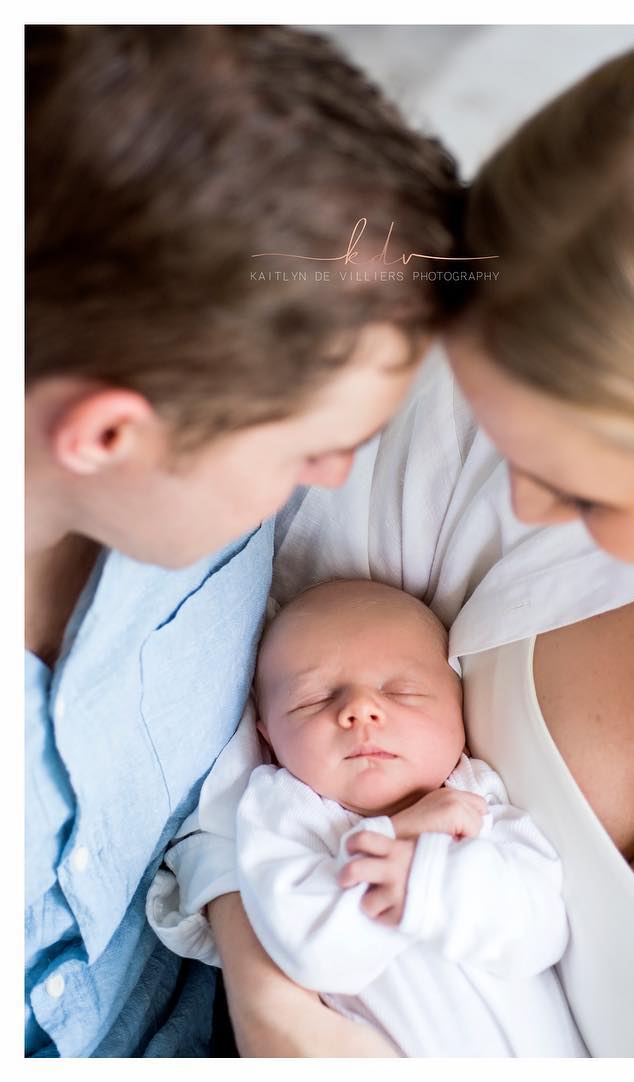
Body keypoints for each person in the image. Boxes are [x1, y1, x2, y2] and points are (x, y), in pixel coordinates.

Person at [152, 30, 634, 1058]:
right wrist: (270, 987)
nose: (531, 507)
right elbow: (253, 718)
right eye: (516, 448)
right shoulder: (447, 442)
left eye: (583, 484)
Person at [24, 26, 461, 1057]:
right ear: (109, 435)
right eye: (309, 448)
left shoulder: (220, 526)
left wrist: (266, 990)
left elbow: (236, 776)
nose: (333, 479)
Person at [153, 580, 585, 1057]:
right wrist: (396, 836)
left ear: (459, 713)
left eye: (402, 691)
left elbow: (541, 933)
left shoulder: (478, 796)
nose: (360, 709)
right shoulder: (283, 811)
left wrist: (435, 881)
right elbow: (309, 947)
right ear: (269, 739)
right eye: (314, 699)